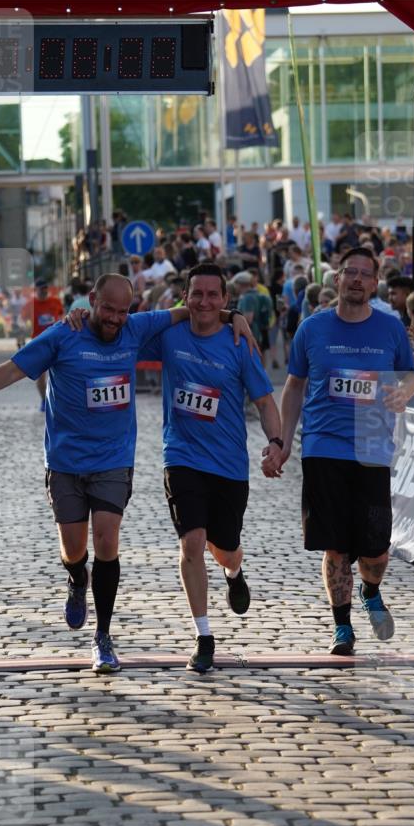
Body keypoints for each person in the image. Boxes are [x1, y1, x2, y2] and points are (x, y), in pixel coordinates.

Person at [0, 274, 252, 676]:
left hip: (113, 460)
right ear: (91, 301)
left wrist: (232, 315)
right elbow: (16, 369)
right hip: (65, 461)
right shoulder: (62, 335)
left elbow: (193, 309)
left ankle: (103, 637)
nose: (115, 319)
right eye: (108, 309)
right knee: (73, 549)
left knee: (106, 538)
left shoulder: (136, 328)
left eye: (123, 311)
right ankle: (75, 578)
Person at [141, 263, 283, 673]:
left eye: (212, 295)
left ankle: (235, 573)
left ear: (224, 299)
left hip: (229, 465)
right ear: (185, 298)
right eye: (196, 294)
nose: (204, 301)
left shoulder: (239, 343)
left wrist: (275, 444)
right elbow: (122, 330)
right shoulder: (170, 336)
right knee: (192, 543)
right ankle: (204, 635)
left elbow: (265, 402)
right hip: (181, 456)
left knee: (225, 547)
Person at [277, 248, 414, 655]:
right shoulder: (312, 328)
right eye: (349, 273)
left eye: (365, 275)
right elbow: (294, 386)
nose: (356, 280)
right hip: (322, 446)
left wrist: (405, 392)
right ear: (337, 279)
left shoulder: (390, 329)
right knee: (335, 544)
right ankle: (342, 628)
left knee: (376, 548)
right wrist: (285, 442)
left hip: (373, 447)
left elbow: (411, 375)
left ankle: (370, 588)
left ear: (375, 284)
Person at [21, 279, 64, 411]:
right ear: (36, 290)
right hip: (39, 343)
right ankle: (44, 400)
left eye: (46, 288)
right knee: (41, 376)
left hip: (57, 342)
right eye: (41, 288)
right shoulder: (30, 304)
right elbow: (23, 320)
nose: (44, 290)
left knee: (62, 373)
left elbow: (62, 316)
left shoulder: (55, 302)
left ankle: (59, 400)